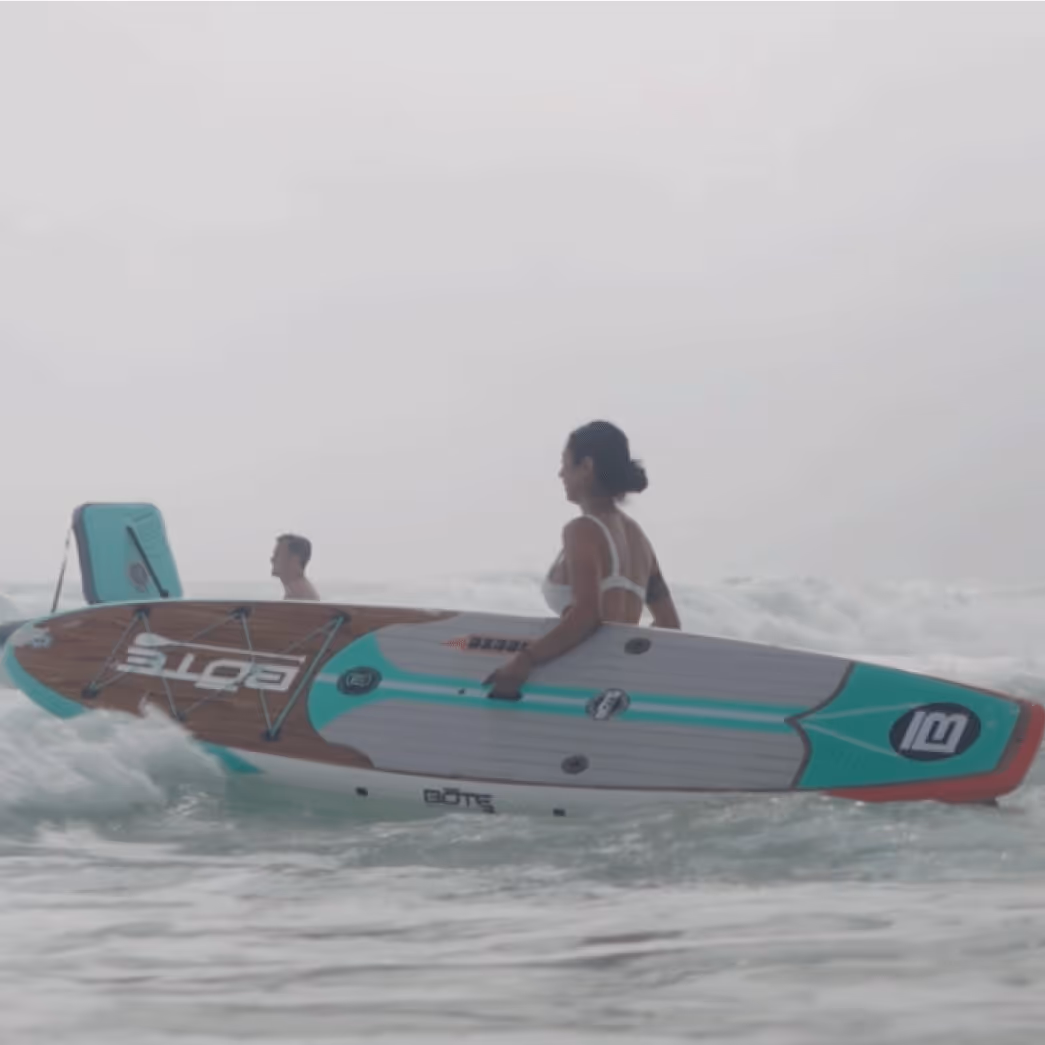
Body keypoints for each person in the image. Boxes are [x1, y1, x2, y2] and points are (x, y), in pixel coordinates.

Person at [486, 420, 680, 697]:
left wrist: (524, 660)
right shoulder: (640, 540)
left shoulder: (583, 530)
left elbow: (587, 615)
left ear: (586, 467)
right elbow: (669, 624)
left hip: (574, 683)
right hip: (611, 689)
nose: (560, 473)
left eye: (565, 463)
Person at [270, 533, 320, 601]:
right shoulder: (296, 591)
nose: (272, 559)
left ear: (294, 561)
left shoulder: (299, 595)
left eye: (277, 555)